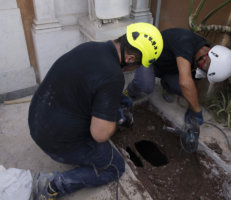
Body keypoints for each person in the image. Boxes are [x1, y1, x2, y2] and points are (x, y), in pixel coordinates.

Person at [28, 22, 163, 200]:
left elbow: (97, 88)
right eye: (139, 65)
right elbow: (99, 135)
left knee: (122, 101)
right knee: (115, 167)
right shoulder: (112, 76)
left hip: (38, 119)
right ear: (130, 58)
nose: (137, 69)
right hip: (56, 142)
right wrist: (115, 121)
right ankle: (53, 184)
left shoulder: (92, 47)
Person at [125, 28, 231, 125]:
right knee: (145, 86)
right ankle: (129, 92)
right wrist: (197, 110)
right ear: (206, 58)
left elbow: (192, 84)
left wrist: (191, 106)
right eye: (204, 70)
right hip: (150, 61)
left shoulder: (202, 58)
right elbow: (185, 82)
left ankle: (166, 86)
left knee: (185, 89)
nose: (202, 72)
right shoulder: (185, 41)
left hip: (168, 68)